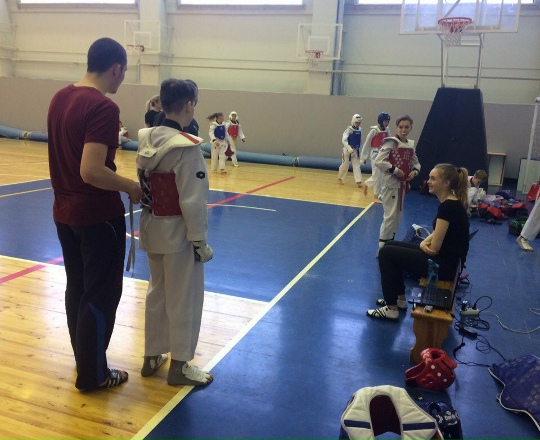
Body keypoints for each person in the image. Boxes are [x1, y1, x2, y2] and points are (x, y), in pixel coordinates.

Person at [47, 37, 143, 391]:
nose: (123, 79)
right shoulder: (103, 107)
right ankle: (94, 374)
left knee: (78, 289)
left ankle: (86, 362)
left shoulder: (60, 97)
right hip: (97, 217)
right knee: (100, 295)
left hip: (64, 213)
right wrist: (130, 186)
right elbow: (91, 170)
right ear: (115, 68)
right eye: (124, 72)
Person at [136, 78, 214, 386]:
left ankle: (152, 355)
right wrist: (200, 241)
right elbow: (192, 201)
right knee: (185, 298)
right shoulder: (186, 148)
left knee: (157, 293)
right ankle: (180, 366)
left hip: (151, 228)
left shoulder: (146, 138)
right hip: (179, 235)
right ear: (189, 105)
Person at [367, 164, 470, 320]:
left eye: (433, 179)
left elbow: (434, 248)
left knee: (386, 253)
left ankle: (391, 308)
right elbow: (437, 232)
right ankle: (399, 299)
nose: (428, 181)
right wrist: (423, 243)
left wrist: (423, 244)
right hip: (447, 262)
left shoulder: (448, 207)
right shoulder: (451, 203)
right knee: (389, 245)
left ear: (446, 183)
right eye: (429, 178)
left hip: (443, 267)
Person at [374, 115, 420, 257]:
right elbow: (379, 161)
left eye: (406, 127)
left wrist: (414, 171)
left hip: (402, 184)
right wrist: (395, 170)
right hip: (391, 184)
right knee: (390, 216)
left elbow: (416, 162)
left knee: (397, 216)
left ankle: (389, 245)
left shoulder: (410, 144)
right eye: (401, 127)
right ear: (396, 127)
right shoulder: (391, 142)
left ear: (411, 127)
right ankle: (382, 249)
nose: (403, 130)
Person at [360, 112, 391, 204]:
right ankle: (375, 196)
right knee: (377, 175)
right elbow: (366, 144)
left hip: (383, 154)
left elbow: (390, 141)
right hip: (375, 154)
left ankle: (366, 184)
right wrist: (363, 158)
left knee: (381, 175)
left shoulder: (387, 130)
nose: (387, 123)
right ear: (381, 121)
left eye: (388, 121)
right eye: (385, 121)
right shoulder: (374, 131)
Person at [337, 114, 367, 194]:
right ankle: (340, 178)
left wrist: (359, 153)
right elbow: (344, 140)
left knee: (357, 165)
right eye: (357, 122)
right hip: (348, 150)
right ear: (353, 122)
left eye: (359, 123)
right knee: (345, 164)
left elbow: (360, 141)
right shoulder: (349, 130)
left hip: (355, 150)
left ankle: (359, 181)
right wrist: (348, 147)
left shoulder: (360, 130)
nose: (358, 124)